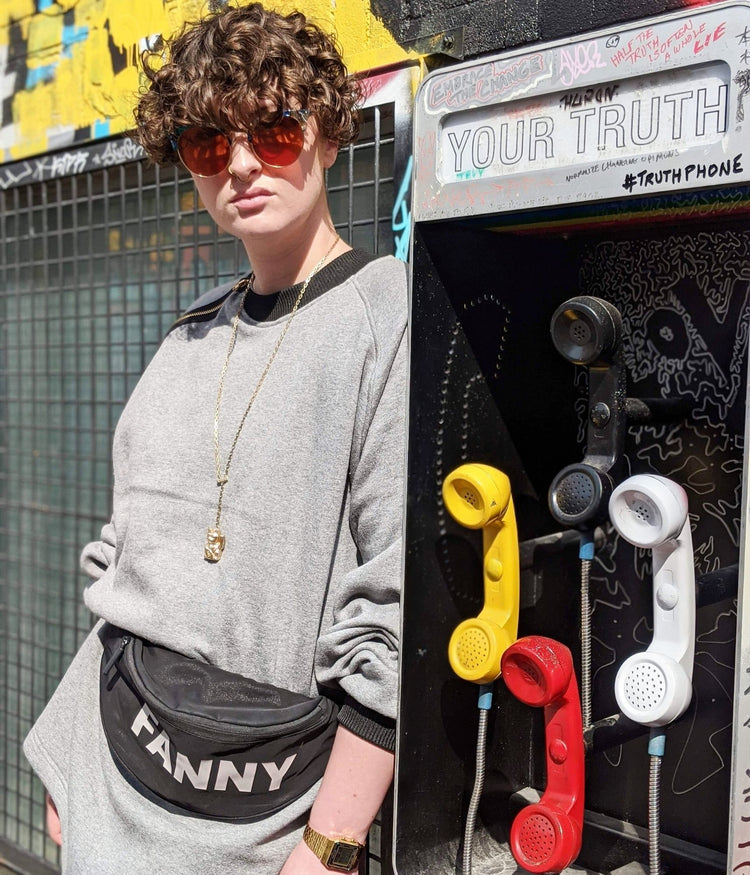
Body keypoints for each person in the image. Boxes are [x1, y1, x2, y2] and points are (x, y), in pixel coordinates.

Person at [23, 4, 407, 873]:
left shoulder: (386, 319)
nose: (240, 164)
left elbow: (394, 606)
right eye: (208, 144)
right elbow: (126, 567)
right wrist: (67, 748)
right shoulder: (185, 339)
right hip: (111, 765)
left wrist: (332, 843)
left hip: (263, 816)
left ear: (328, 136)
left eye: (274, 132)